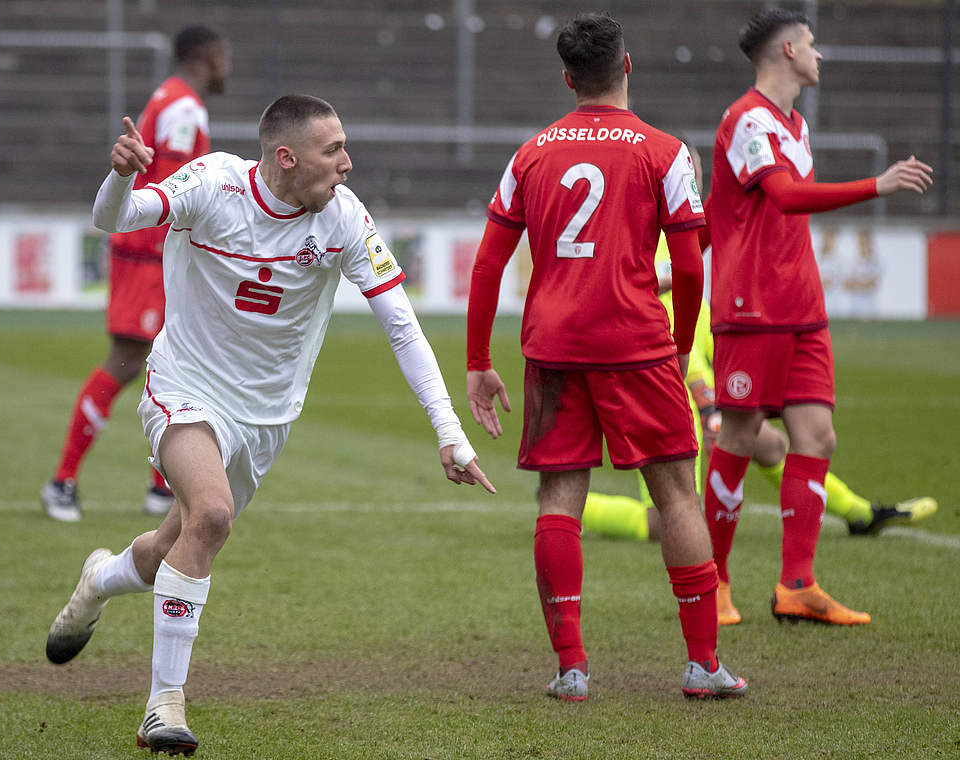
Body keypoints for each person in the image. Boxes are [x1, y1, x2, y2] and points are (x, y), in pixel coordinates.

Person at [45, 95, 494, 755]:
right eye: (332, 150)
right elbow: (113, 218)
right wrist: (120, 175)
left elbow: (400, 324)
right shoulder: (213, 184)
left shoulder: (343, 218)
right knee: (213, 514)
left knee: (174, 544)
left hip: (266, 419)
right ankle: (162, 707)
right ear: (287, 158)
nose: (347, 162)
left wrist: (449, 431)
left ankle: (100, 581)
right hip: (186, 386)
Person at [466, 12, 745, 702]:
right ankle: (702, 664)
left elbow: (488, 263)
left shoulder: (530, 154)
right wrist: (679, 348)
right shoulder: (665, 151)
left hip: (554, 348)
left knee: (559, 498)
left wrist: (477, 359)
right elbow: (688, 266)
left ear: (568, 78)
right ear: (627, 66)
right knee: (677, 495)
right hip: (636, 345)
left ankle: (571, 668)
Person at [702, 8, 932, 626]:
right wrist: (875, 186)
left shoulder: (793, 124)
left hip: (802, 308)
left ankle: (797, 586)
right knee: (741, 437)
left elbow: (740, 210)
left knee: (817, 438)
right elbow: (783, 196)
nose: (819, 55)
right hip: (753, 308)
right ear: (785, 52)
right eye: (810, 44)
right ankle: (713, 583)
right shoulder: (747, 118)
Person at [581, 240, 938, 625]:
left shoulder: (683, 227)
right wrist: (708, 404)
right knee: (667, 522)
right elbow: (666, 333)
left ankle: (859, 513)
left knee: (771, 445)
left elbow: (694, 325)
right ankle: (577, 510)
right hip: (661, 384)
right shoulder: (649, 235)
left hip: (693, 370)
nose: (694, 182)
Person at [41, 25, 232, 522]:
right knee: (127, 359)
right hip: (149, 253)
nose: (228, 67)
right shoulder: (184, 108)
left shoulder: (171, 98)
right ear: (209, 57)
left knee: (177, 357)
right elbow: (175, 188)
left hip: (150, 253)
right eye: (224, 57)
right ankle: (62, 481)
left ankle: (161, 488)